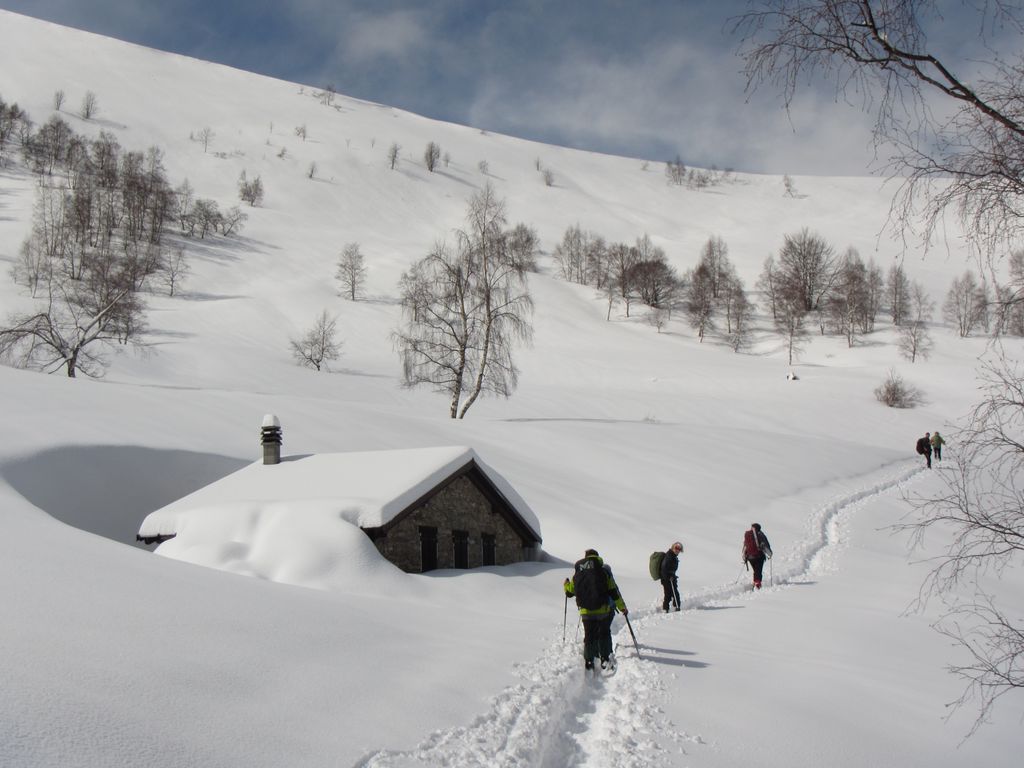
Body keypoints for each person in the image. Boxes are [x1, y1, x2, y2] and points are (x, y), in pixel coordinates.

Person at [564, 549, 628, 672]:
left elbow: (569, 592)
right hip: (602, 610)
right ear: (596, 557)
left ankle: (589, 661)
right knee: (604, 633)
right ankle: (604, 658)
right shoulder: (603, 571)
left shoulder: (578, 573)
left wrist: (565, 584)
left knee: (589, 635)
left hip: (586, 612)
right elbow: (613, 592)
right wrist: (622, 607)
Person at [741, 523, 773, 590]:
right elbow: (764, 546)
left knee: (756, 570)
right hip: (759, 556)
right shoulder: (760, 535)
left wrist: (744, 557)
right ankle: (757, 584)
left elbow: (745, 547)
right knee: (758, 570)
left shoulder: (747, 535)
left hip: (750, 557)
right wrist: (770, 554)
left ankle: (755, 583)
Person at [660, 541, 683, 612]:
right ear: (673, 547)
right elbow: (664, 568)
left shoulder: (673, 556)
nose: (677, 550)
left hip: (671, 578)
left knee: (672, 594)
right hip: (667, 579)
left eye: (679, 549)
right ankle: (667, 609)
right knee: (669, 594)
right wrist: (668, 577)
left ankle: (672, 607)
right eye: (676, 548)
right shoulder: (669, 556)